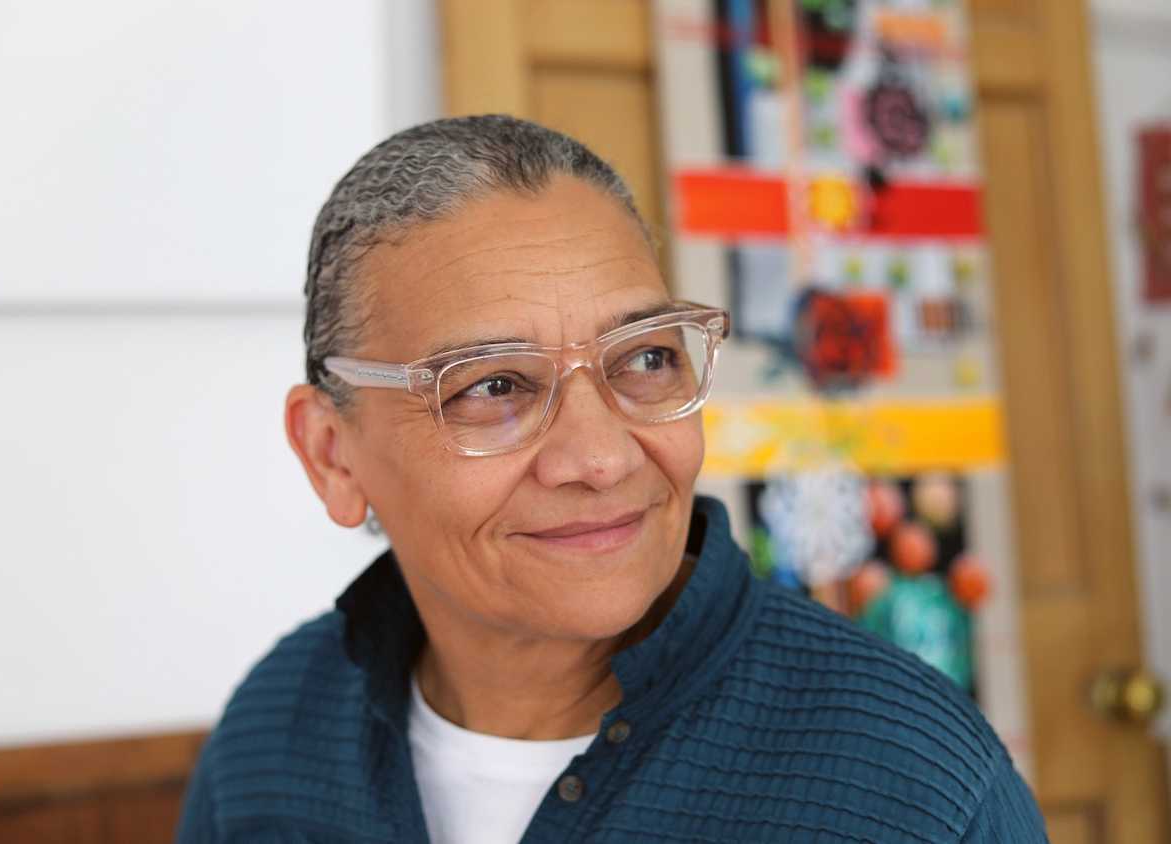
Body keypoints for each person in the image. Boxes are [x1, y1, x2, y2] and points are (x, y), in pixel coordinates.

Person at [176, 115, 1048, 843]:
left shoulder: (913, 782)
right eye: (493, 385)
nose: (601, 457)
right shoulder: (271, 742)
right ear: (333, 454)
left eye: (646, 358)